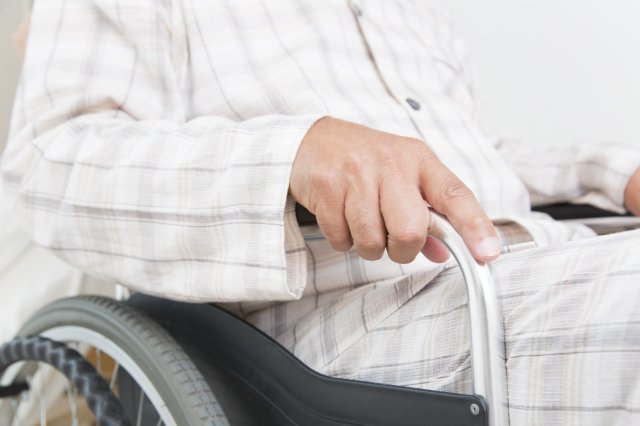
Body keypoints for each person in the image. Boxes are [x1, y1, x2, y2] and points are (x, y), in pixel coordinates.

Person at [1, 1, 639, 424]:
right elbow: (49, 162)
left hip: (535, 264)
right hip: (344, 324)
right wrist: (295, 153)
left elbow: (466, 157)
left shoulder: (408, 11)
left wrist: (613, 173)